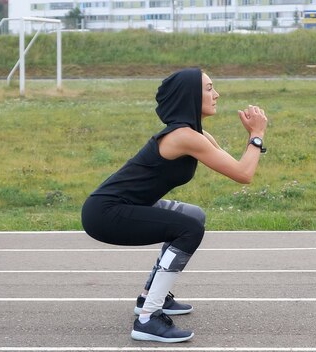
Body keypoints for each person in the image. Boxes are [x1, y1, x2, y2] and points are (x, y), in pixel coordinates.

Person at [81, 68, 268, 343]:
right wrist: (258, 133)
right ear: (191, 95)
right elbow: (245, 175)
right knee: (189, 229)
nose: (216, 94)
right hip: (105, 213)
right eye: (209, 88)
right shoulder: (184, 137)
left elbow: (239, 168)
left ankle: (149, 296)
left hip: (122, 206)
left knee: (193, 216)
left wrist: (253, 137)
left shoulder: (195, 134)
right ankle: (148, 319)